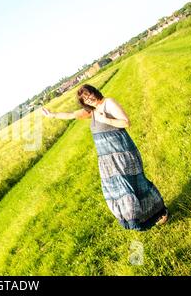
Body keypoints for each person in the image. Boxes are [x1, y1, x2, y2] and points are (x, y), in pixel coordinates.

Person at [42, 84, 169, 231]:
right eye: (85, 99)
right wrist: (52, 114)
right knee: (119, 191)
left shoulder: (109, 103)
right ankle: (141, 218)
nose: (89, 99)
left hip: (123, 154)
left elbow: (126, 122)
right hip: (107, 160)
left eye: (89, 95)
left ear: (95, 92)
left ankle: (160, 212)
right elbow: (71, 115)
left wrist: (106, 120)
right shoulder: (92, 112)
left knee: (135, 185)